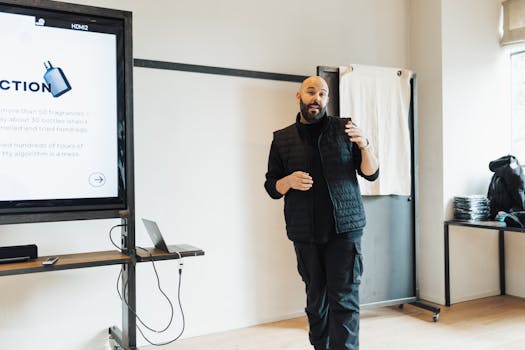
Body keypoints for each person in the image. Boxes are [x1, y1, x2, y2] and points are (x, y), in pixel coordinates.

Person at [264, 76, 379, 350]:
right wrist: (288, 181)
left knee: (345, 301)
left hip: (345, 231)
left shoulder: (345, 129)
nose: (316, 97)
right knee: (316, 302)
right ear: (299, 96)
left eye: (323, 93)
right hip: (306, 233)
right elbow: (271, 186)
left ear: (327, 100)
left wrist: (365, 146)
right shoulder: (282, 139)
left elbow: (371, 173)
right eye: (311, 91)